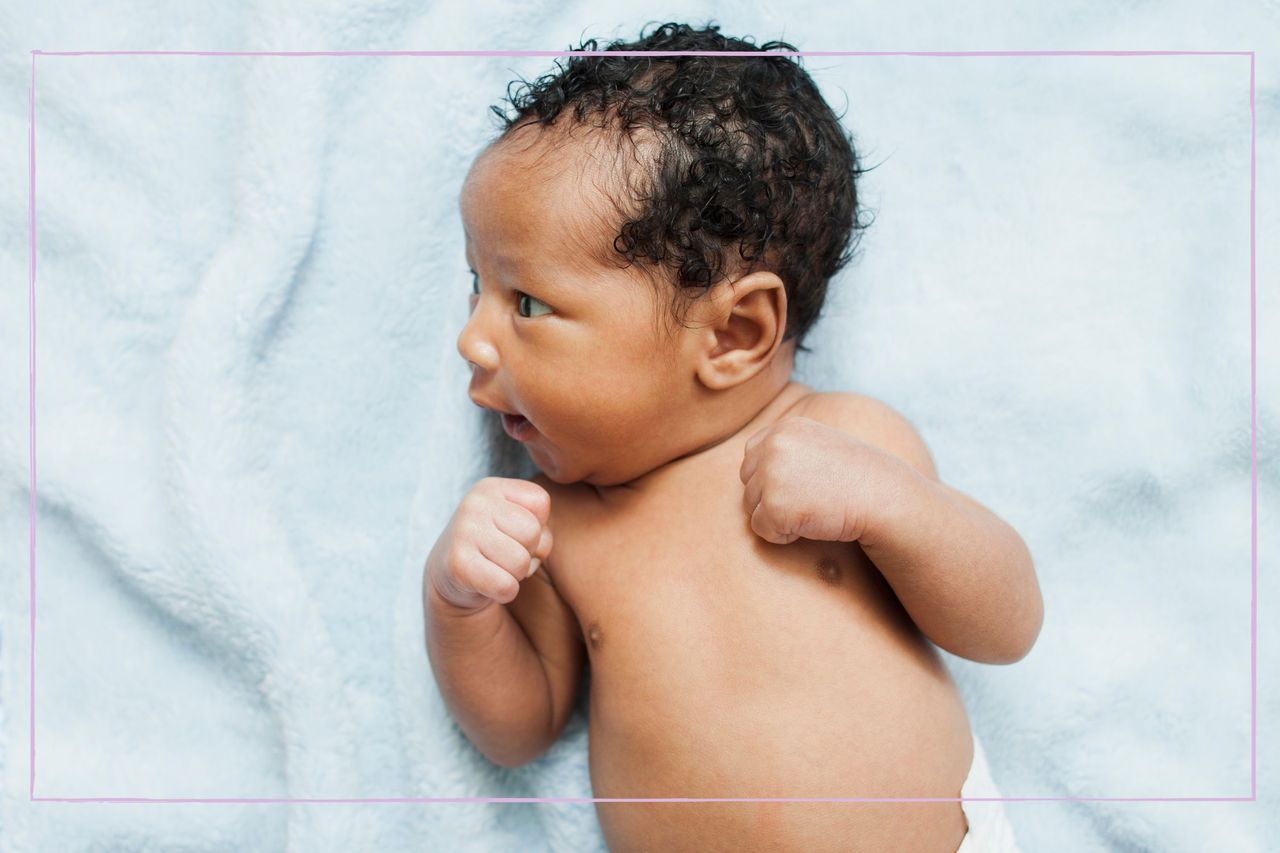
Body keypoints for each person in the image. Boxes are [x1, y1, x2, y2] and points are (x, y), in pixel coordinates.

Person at [424, 21, 1041, 852]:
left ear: (734, 333)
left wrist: (896, 506)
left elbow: (1006, 626)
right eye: (476, 287)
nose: (472, 339)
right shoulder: (558, 525)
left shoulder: (843, 442)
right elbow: (517, 729)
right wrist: (461, 604)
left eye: (526, 303)